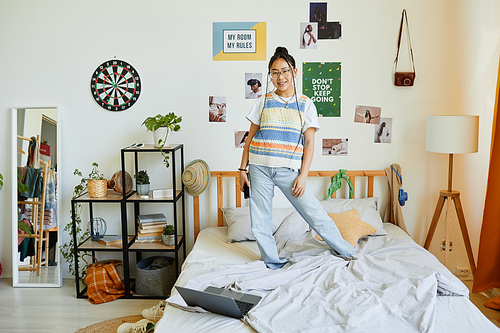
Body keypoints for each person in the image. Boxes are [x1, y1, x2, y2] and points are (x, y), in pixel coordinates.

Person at [238, 46, 356, 270]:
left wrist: (303, 175)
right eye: (274, 72)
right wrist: (242, 169)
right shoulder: (262, 102)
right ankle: (272, 264)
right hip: (259, 166)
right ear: (269, 75)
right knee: (260, 220)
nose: (280, 77)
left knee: (315, 213)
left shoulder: (305, 104)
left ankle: (348, 253)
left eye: (284, 71)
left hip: (289, 170)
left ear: (294, 72)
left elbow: (310, 143)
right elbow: (249, 138)